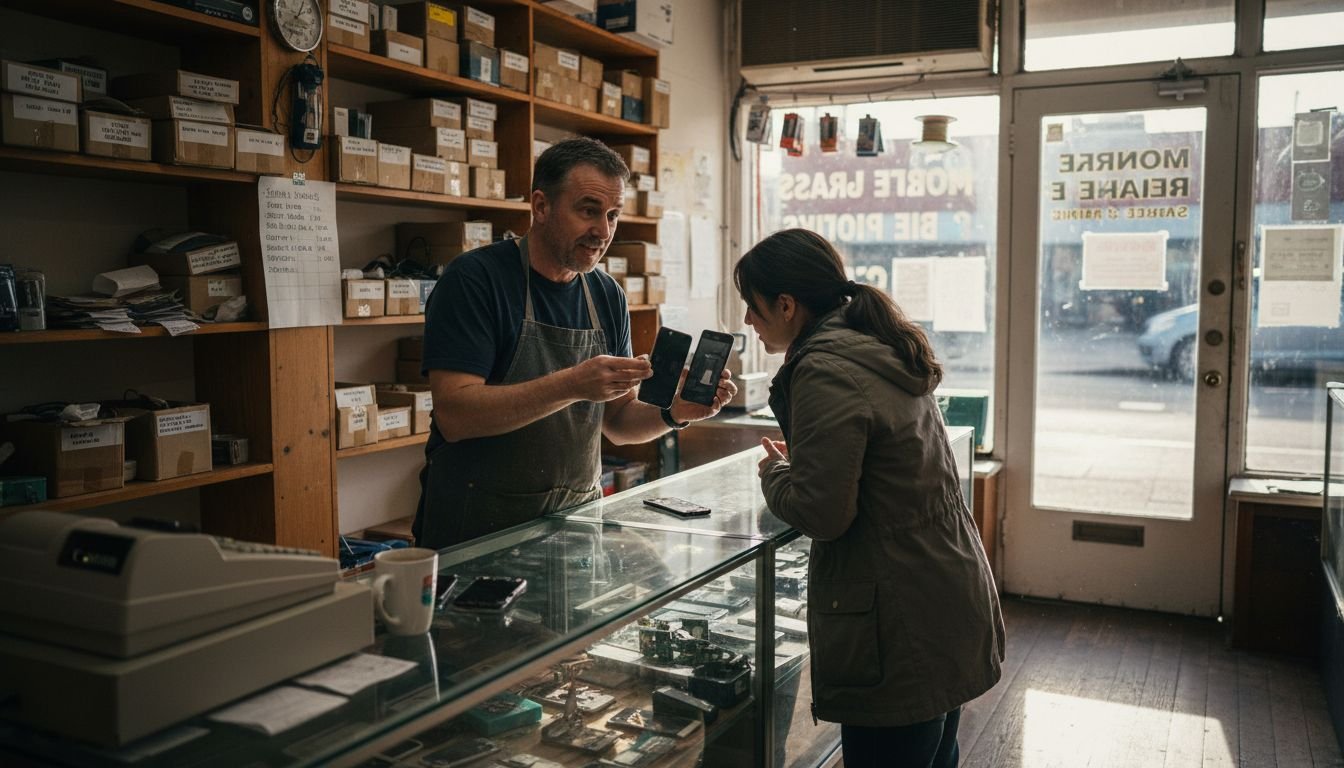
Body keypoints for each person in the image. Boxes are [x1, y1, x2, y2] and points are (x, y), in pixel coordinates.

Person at [736, 229, 1004, 768]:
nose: (747, 320)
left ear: (786, 305)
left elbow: (822, 514)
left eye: (753, 305)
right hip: (941, 595)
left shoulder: (823, 368)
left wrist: (776, 474)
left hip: (897, 620)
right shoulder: (872, 343)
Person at [413, 137, 736, 549]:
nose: (603, 231)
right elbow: (455, 415)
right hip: (478, 532)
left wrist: (674, 413)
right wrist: (573, 384)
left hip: (574, 526)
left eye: (613, 215)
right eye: (588, 211)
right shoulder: (475, 280)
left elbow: (618, 421)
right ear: (541, 206)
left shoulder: (607, 295)